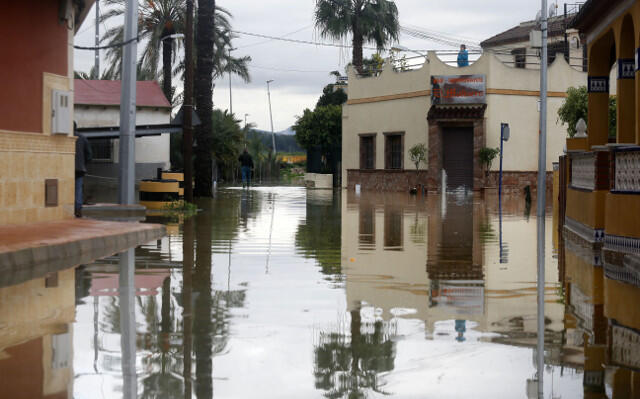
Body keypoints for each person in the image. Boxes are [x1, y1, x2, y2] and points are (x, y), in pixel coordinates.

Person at [74, 122, 92, 217]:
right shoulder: (83, 138)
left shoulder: (65, 137)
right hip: (80, 169)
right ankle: (77, 209)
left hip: (66, 168)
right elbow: (89, 155)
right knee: (78, 189)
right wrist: (84, 164)